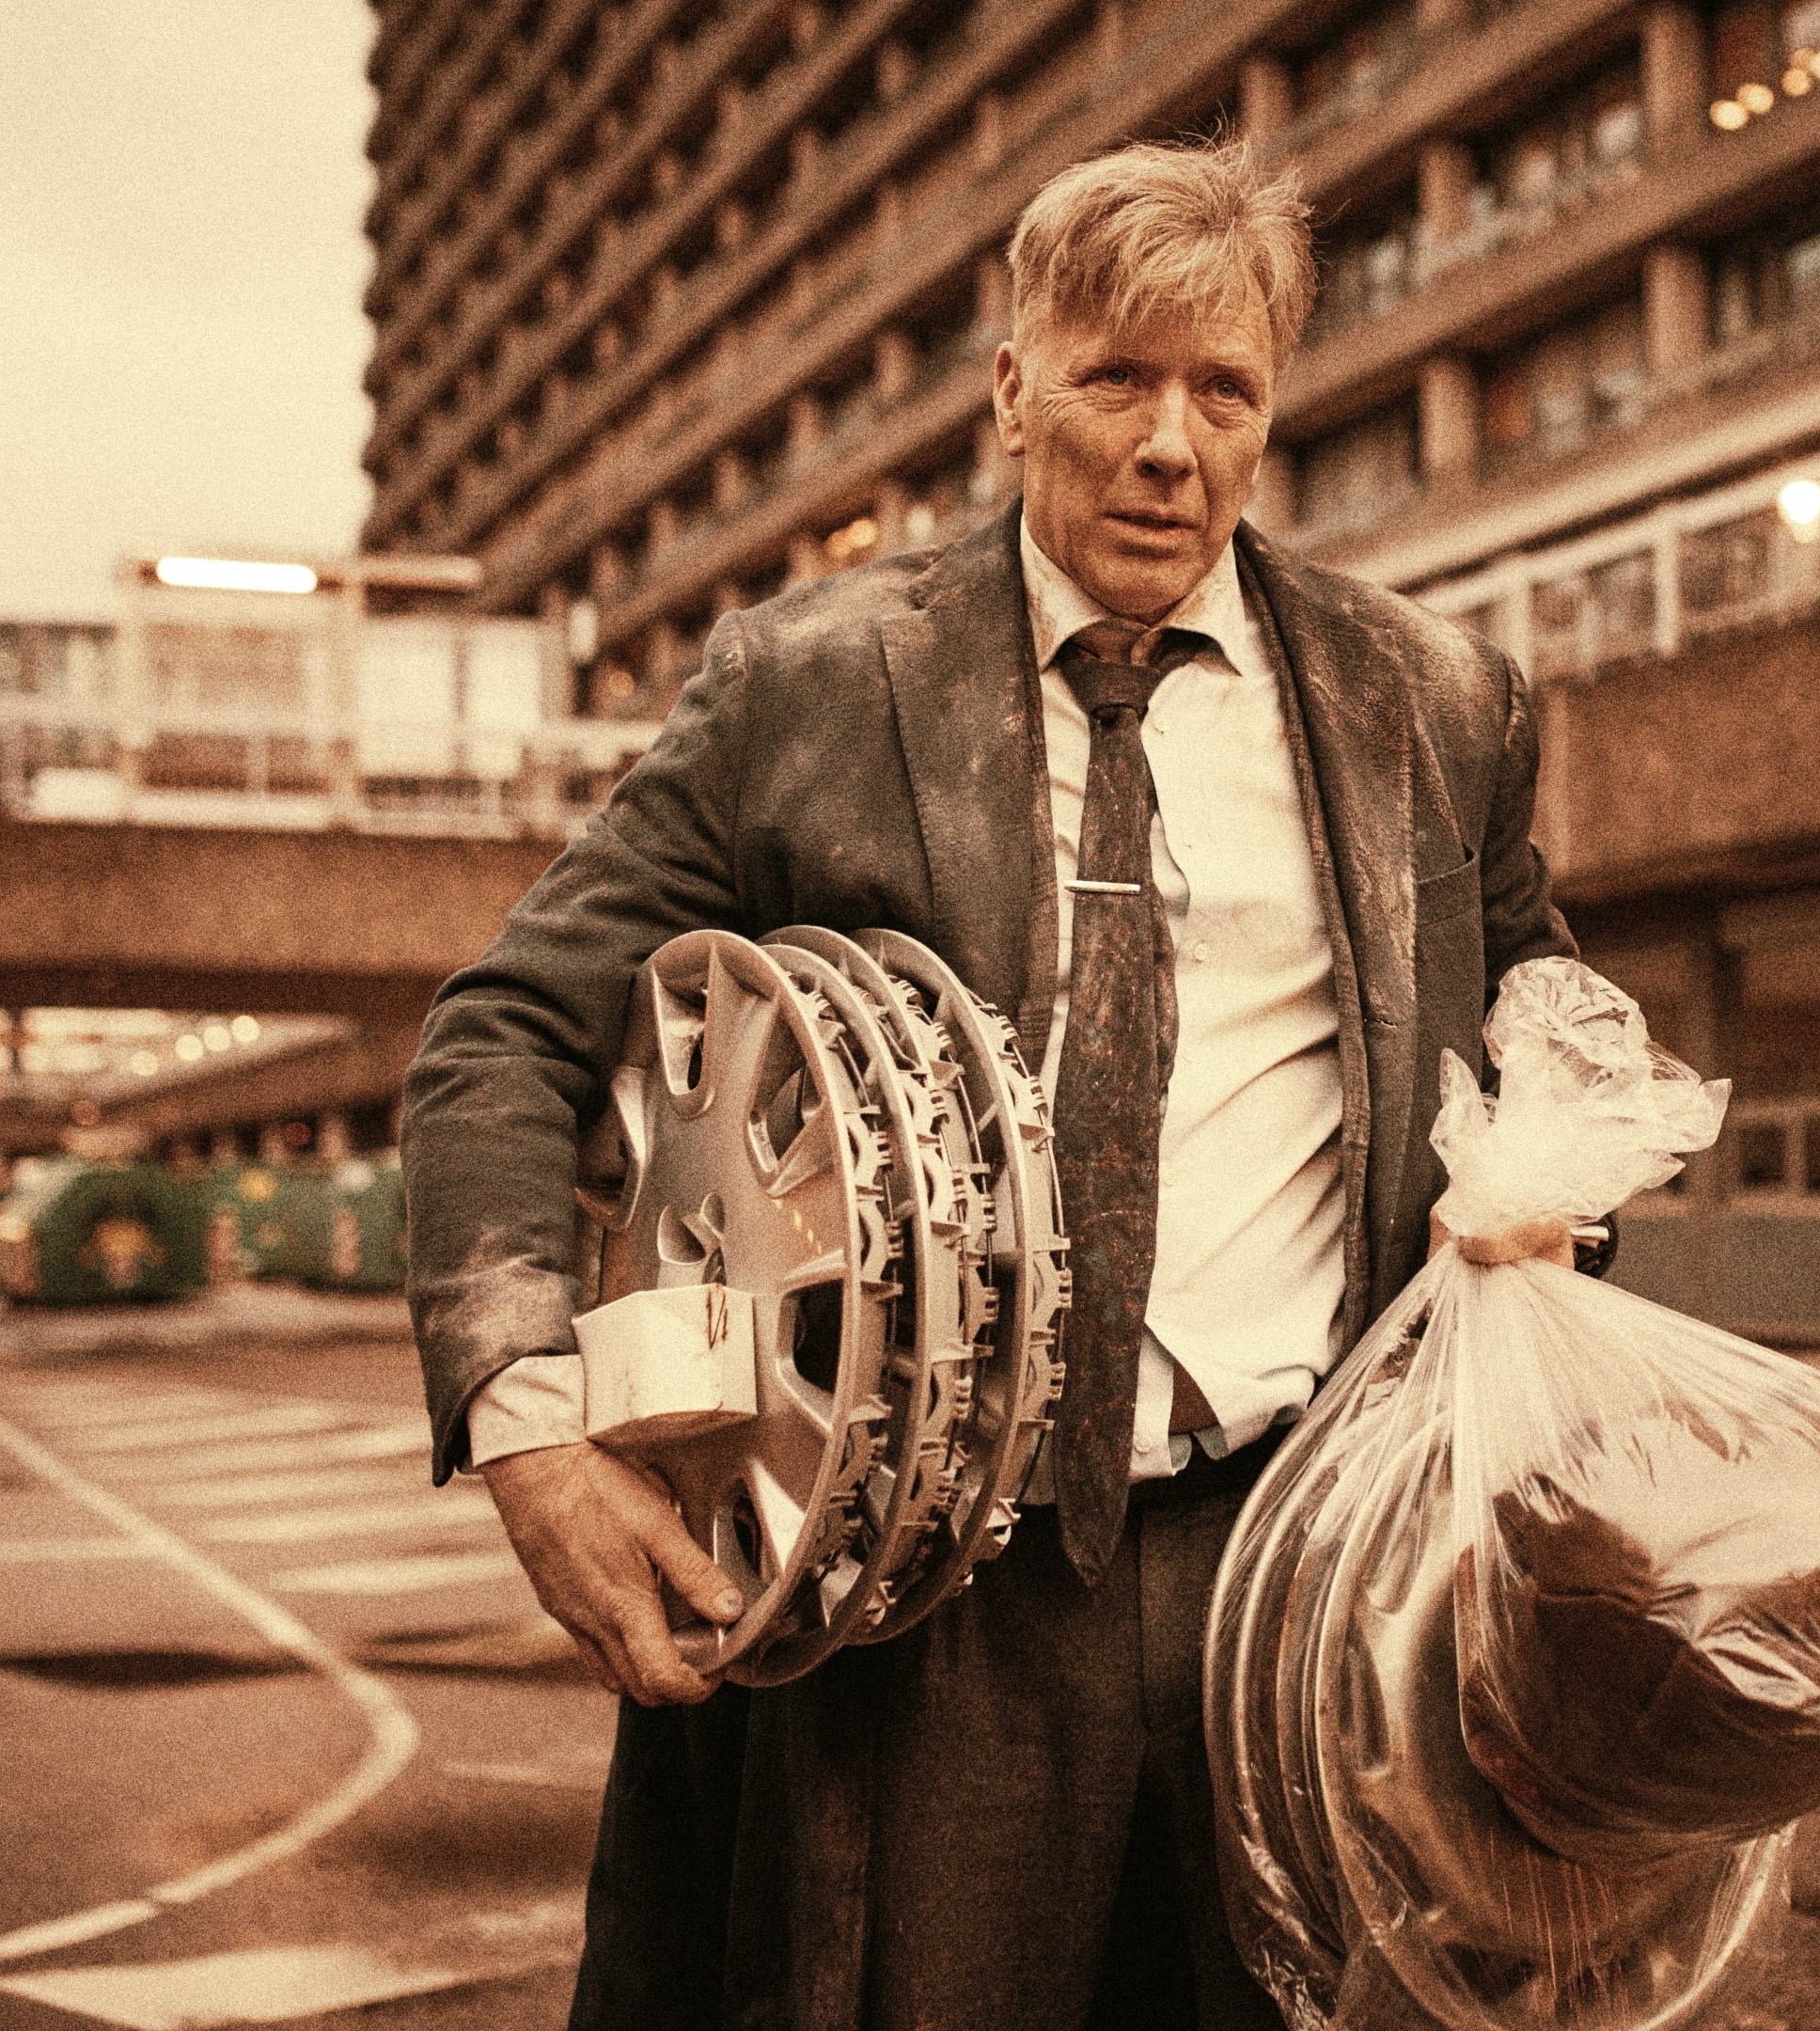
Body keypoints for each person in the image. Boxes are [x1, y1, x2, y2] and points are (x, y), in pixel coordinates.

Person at [400, 135, 1577, 2031]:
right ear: (1015, 387)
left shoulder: (1433, 703)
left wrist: (1556, 1191)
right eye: (1118, 380)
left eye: (1224, 392)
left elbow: (1551, 1035)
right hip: (922, 1593)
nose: (1170, 447)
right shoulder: (802, 686)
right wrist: (527, 1425)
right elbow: (507, 1029)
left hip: (1295, 1577)